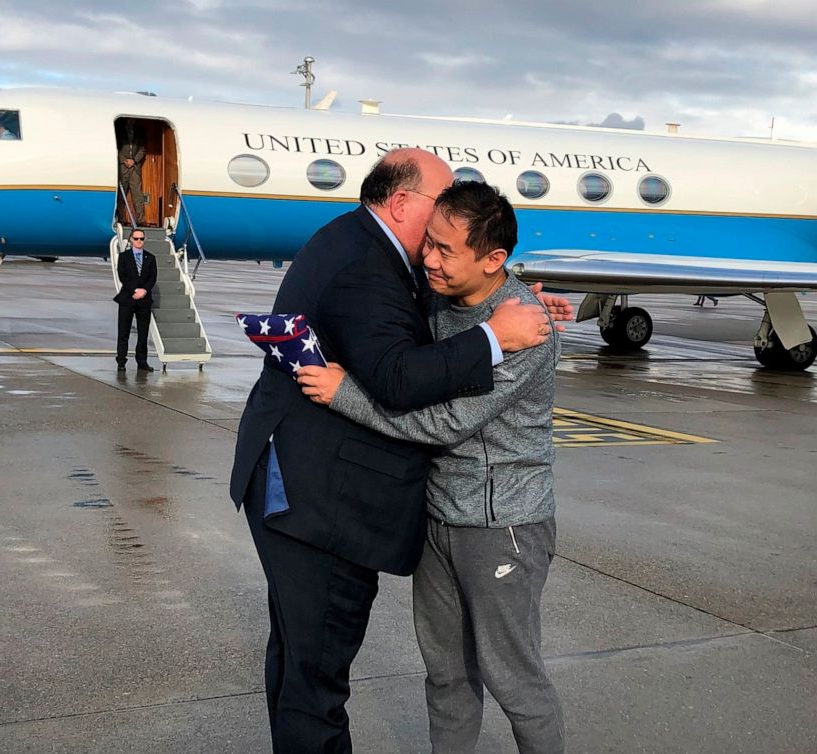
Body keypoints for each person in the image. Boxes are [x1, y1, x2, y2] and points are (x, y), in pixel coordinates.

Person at [229, 147, 572, 753]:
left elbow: (442, 420)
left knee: (511, 677)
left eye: (448, 247)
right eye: (433, 233)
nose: (433, 258)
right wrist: (500, 319)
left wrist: (513, 306)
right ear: (403, 203)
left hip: (497, 522)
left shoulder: (379, 255)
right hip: (348, 508)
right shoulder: (382, 270)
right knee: (378, 672)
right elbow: (406, 367)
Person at [113, 230, 157, 372]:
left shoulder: (150, 257)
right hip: (128, 298)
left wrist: (143, 290)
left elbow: (152, 277)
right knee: (123, 332)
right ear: (131, 239)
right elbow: (123, 276)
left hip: (144, 300)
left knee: (143, 334)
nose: (139, 241)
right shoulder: (124, 257)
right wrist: (134, 291)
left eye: (141, 238)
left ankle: (142, 361)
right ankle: (121, 361)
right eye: (136, 238)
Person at [118, 122, 147, 225]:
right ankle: (121, 220)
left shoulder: (139, 131)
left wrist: (134, 160)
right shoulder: (119, 130)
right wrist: (124, 160)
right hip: (123, 166)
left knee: (137, 195)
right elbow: (116, 148)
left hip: (135, 167)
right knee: (122, 195)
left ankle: (141, 220)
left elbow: (143, 150)